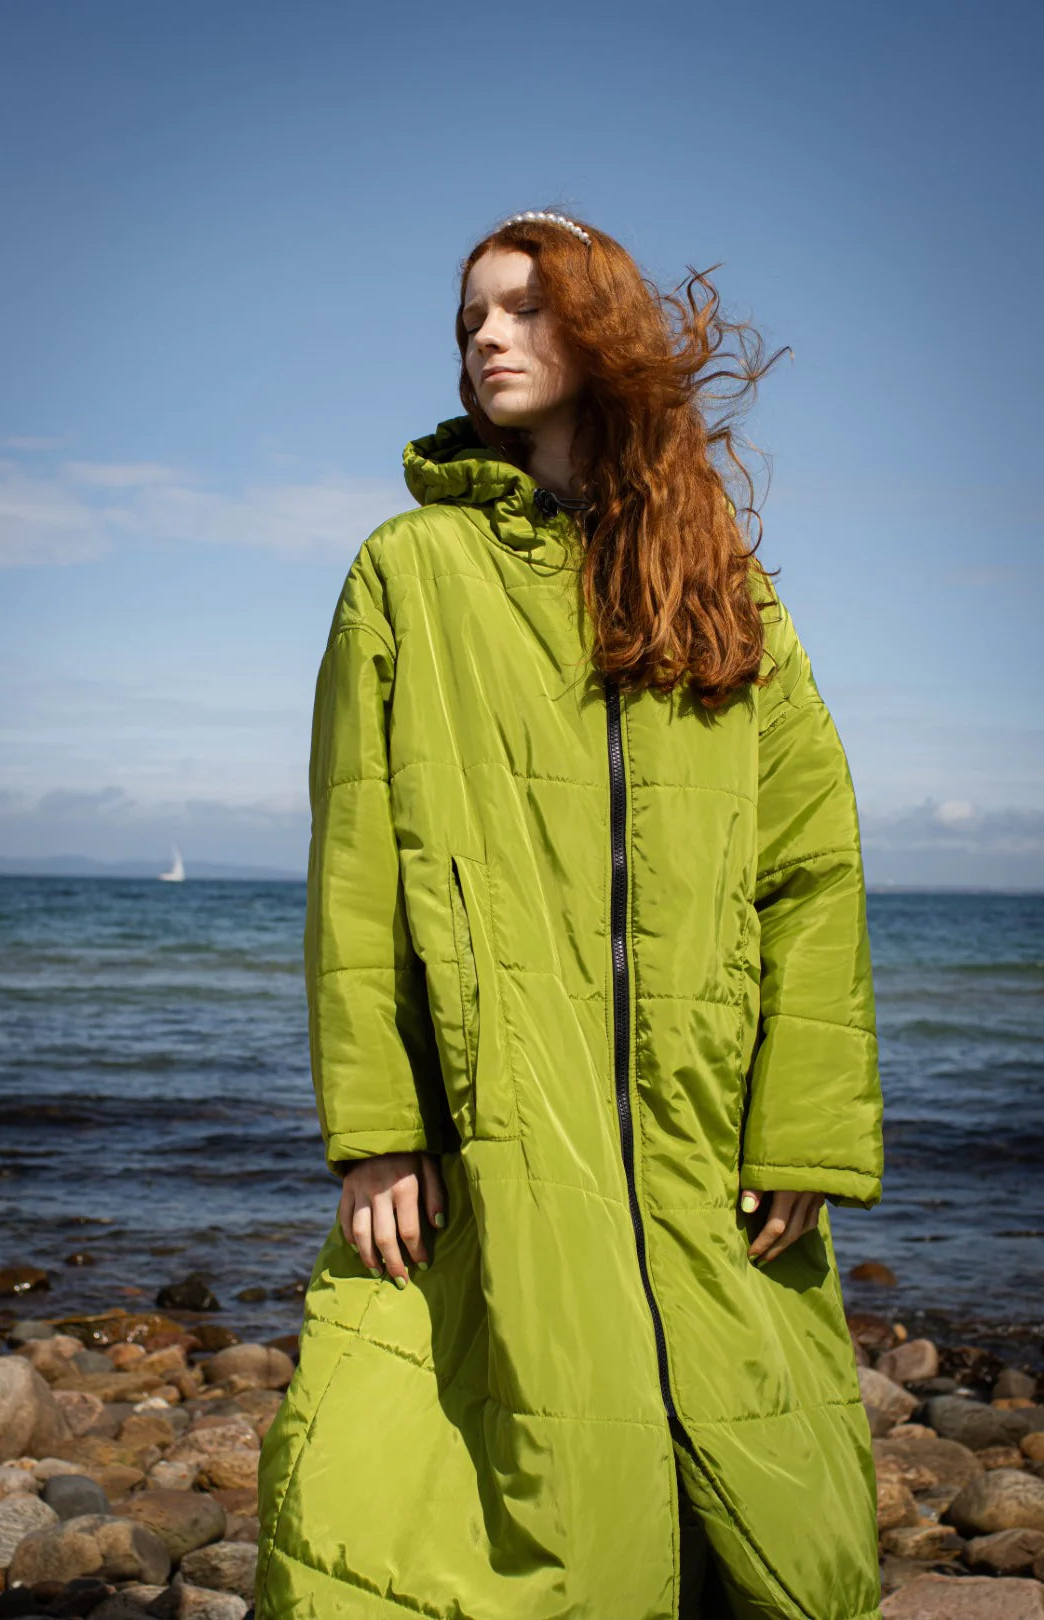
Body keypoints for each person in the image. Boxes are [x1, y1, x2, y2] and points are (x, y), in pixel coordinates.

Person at [255, 209, 885, 1620]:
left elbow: (810, 874)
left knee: (762, 1500)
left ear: (602, 336)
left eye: (526, 308)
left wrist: (804, 1131)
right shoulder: (410, 571)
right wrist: (379, 1130)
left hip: (703, 1125)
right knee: (430, 1481)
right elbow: (355, 868)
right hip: (499, 1114)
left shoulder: (727, 593)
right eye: (473, 316)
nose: (489, 336)